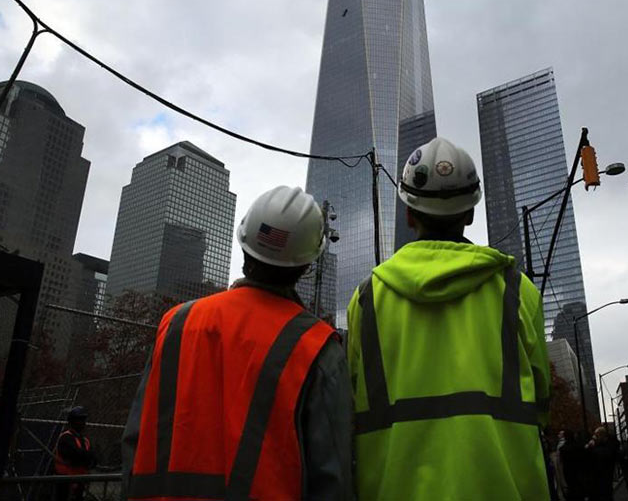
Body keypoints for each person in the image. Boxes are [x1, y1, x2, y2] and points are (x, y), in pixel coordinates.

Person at [346, 137, 551, 500]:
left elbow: (350, 397)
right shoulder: (518, 293)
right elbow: (542, 400)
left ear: (408, 214)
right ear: (471, 212)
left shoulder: (366, 300)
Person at [120, 186, 352, 500]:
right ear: (306, 266)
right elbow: (331, 478)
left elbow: (135, 440)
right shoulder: (317, 347)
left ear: (244, 246)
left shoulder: (176, 323)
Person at [53, 406, 96, 501]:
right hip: (66, 480)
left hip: (79, 479)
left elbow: (93, 458)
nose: (82, 423)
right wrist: (86, 456)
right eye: (79, 420)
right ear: (71, 422)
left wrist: (85, 456)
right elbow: (74, 456)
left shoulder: (85, 440)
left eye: (83, 420)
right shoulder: (66, 437)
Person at [587, 427, 616, 501]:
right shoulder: (609, 445)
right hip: (606, 479)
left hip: (600, 480)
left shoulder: (598, 449)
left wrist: (590, 448)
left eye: (596, 435)